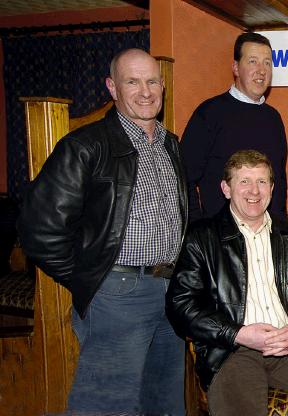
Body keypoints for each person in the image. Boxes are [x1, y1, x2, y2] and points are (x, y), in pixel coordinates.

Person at [18, 49, 187, 415]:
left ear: (163, 86)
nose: (145, 91)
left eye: (152, 81)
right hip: (117, 294)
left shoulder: (170, 144)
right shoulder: (85, 146)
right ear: (112, 87)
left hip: (169, 290)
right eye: (132, 81)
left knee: (165, 402)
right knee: (107, 404)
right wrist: (92, 280)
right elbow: (39, 230)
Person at [165, 150, 288, 416]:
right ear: (226, 188)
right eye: (244, 181)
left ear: (271, 187)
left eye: (261, 181)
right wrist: (238, 333)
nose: (254, 191)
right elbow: (181, 305)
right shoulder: (202, 238)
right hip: (232, 351)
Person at [181, 32, 287, 222]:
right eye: (253, 61)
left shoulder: (274, 119)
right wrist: (198, 228)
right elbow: (183, 177)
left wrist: (281, 229)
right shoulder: (209, 113)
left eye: (267, 63)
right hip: (219, 239)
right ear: (236, 67)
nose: (261, 70)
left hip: (265, 238)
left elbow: (278, 181)